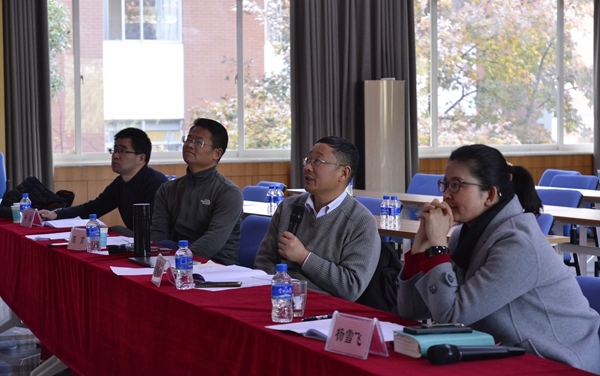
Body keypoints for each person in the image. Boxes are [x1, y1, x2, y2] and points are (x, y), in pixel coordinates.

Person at [396, 144, 600, 373]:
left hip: (556, 360)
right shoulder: (463, 235)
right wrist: (421, 245)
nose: (445, 195)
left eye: (456, 185)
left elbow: (451, 315)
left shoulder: (518, 243)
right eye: (445, 184)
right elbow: (411, 310)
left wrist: (437, 248)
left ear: (490, 195)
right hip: (500, 351)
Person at [254, 136, 380, 302]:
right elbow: (263, 262)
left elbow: (351, 287)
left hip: (324, 307)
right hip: (277, 299)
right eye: (308, 160)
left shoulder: (361, 221)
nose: (308, 167)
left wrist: (304, 257)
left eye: (318, 161)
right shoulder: (288, 207)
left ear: (343, 173)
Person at [151, 118, 243, 265]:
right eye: (188, 139)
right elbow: (158, 234)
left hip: (215, 264)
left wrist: (180, 259)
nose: (189, 145)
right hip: (175, 258)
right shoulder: (167, 189)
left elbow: (213, 241)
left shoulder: (229, 193)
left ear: (217, 153)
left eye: (198, 142)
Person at [40, 128, 167, 232]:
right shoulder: (120, 183)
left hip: (159, 246)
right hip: (138, 242)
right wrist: (56, 214)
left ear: (141, 158)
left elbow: (155, 231)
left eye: (122, 151)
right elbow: (92, 209)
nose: (115, 156)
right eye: (115, 150)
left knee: (116, 230)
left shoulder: (156, 184)